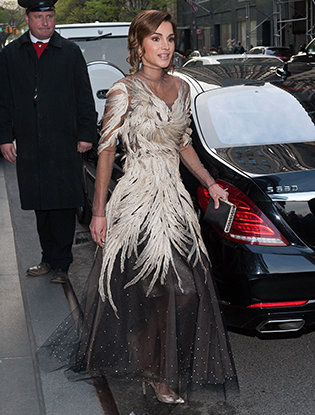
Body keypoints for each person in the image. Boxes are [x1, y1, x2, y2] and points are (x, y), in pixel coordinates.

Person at [37, 10, 237, 405]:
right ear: (139, 45)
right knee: (156, 289)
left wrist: (210, 183)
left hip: (174, 202)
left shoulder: (181, 88)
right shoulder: (122, 91)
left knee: (185, 290)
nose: (165, 46)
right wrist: (99, 211)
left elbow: (183, 144)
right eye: (156, 39)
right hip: (138, 202)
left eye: (169, 38)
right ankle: (155, 373)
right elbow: (106, 152)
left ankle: (154, 366)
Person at [0, 0, 97, 283]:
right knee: (40, 203)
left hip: (64, 141)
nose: (45, 22)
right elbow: (4, 101)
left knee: (64, 204)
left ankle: (62, 265)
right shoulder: (11, 54)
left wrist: (87, 134)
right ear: (28, 19)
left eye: (50, 16)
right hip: (30, 143)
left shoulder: (69, 52)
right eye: (39, 17)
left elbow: (84, 96)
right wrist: (5, 137)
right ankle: (47, 258)